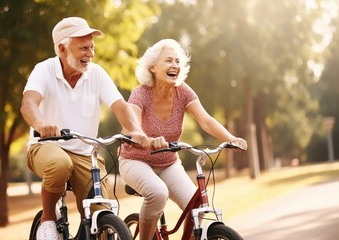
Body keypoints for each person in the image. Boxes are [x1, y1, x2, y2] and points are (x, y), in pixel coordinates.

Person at [20, 17, 150, 240]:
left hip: (86, 154)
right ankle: (48, 220)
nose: (90, 53)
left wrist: (135, 130)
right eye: (83, 48)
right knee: (60, 164)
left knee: (103, 217)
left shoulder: (97, 74)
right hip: (46, 146)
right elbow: (28, 103)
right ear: (62, 48)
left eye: (92, 47)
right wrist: (41, 124)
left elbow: (121, 106)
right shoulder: (44, 70)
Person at [118, 39, 248, 240]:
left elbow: (205, 120)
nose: (175, 66)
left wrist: (231, 138)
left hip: (168, 163)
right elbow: (130, 125)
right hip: (135, 161)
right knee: (158, 193)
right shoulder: (140, 93)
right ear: (153, 67)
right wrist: (145, 138)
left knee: (197, 207)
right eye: (168, 61)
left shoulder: (183, 91)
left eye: (177, 61)